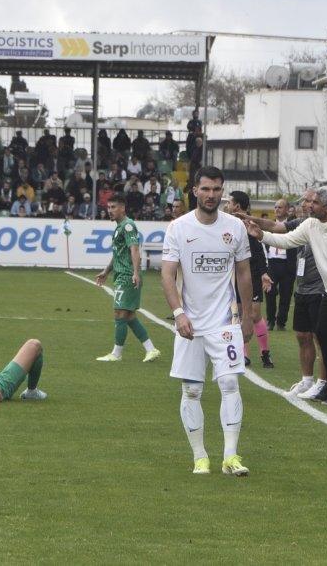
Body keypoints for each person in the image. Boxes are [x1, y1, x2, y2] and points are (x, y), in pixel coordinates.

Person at [245, 186, 327, 406]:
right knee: (324, 336)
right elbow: (288, 240)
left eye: (314, 202)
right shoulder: (311, 224)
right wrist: (261, 235)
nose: (309, 205)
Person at [161, 166, 253, 476]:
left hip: (225, 321)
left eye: (217, 190)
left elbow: (243, 272)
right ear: (195, 191)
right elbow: (167, 274)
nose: (212, 195)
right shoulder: (178, 228)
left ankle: (231, 456)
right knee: (191, 391)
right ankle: (200, 456)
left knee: (230, 382)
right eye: (206, 189)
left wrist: (248, 313)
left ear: (222, 191)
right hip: (190, 323)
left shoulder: (235, 228)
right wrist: (178, 314)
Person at [94, 193, 160, 363]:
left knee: (119, 312)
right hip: (121, 275)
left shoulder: (128, 225)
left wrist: (136, 273)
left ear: (122, 208)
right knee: (129, 316)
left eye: (113, 207)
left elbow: (134, 249)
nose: (110, 211)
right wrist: (106, 271)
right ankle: (151, 350)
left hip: (127, 276)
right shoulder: (119, 227)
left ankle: (116, 354)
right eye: (108, 208)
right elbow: (118, 254)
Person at [225, 191, 274, 368]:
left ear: (237, 206)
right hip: (233, 275)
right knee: (238, 313)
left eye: (230, 202)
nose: (228, 205)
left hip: (251, 274)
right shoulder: (226, 223)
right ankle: (243, 355)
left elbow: (259, 251)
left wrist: (263, 273)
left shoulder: (248, 224)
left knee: (253, 314)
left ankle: (265, 352)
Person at [264, 199, 297, 330]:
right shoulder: (269, 225)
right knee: (270, 293)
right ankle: (270, 321)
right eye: (275, 207)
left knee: (286, 295)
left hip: (287, 263)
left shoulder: (293, 226)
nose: (277, 209)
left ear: (287, 209)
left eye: (280, 207)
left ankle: (281, 322)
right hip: (272, 262)